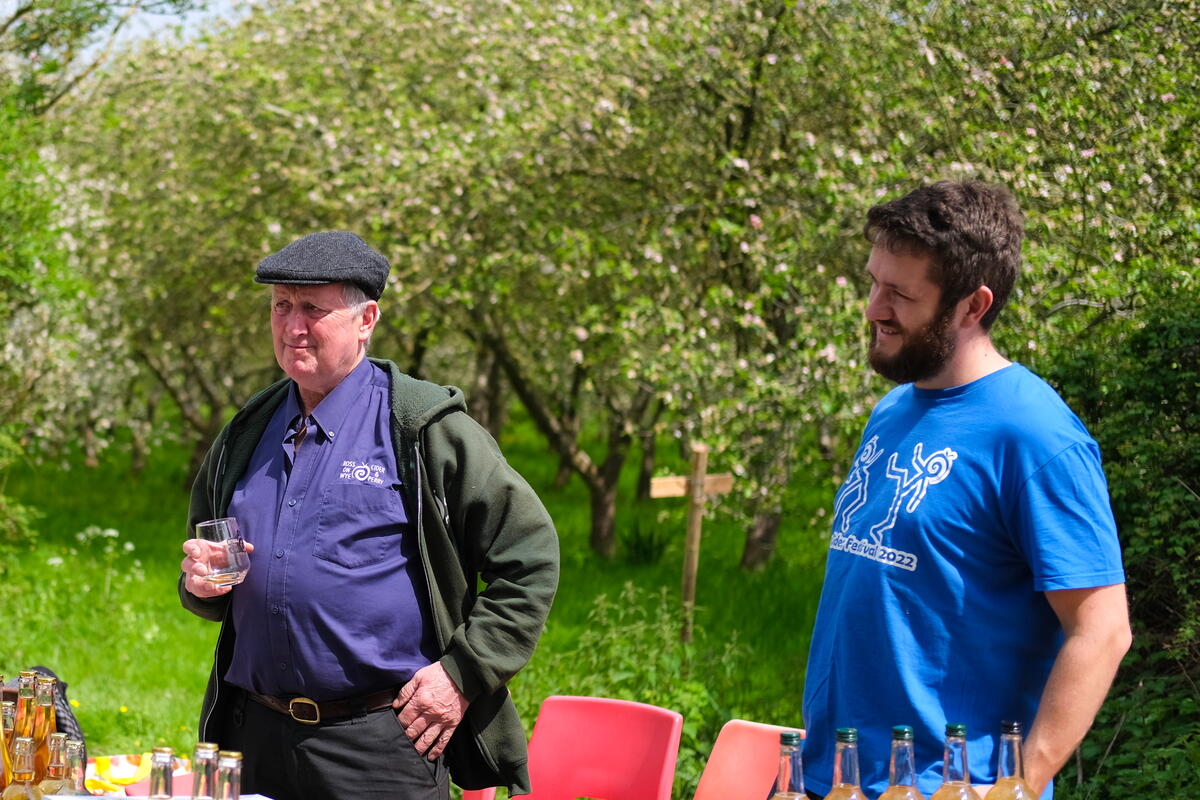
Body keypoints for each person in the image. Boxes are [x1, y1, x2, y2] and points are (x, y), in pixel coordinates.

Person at [179, 230, 559, 800]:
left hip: (381, 745)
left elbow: (529, 558)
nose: (292, 326)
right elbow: (205, 570)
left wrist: (460, 675)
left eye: (313, 308)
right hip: (253, 737)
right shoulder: (246, 432)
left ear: (366, 319)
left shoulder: (423, 428)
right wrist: (201, 582)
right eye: (281, 306)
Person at [800, 181, 1131, 799]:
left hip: (945, 786)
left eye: (899, 293)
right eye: (873, 282)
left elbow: (1104, 629)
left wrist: (1019, 784)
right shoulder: (894, 410)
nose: (873, 307)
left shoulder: (1033, 434)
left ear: (972, 305)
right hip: (834, 776)